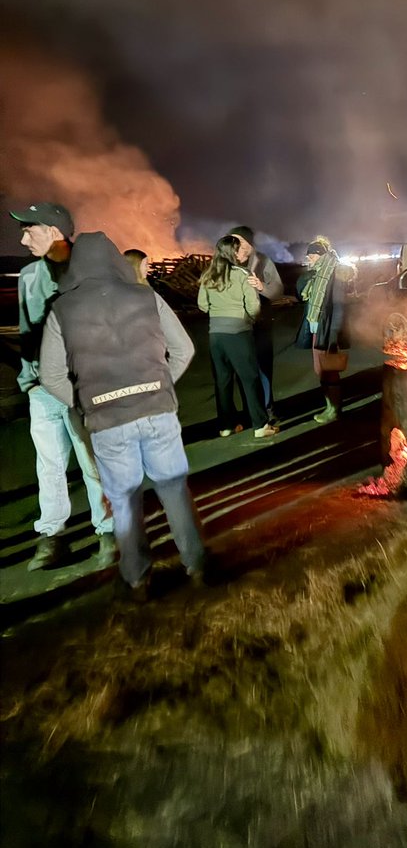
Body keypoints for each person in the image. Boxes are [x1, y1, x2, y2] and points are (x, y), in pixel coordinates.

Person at [38, 232, 207, 600]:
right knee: (174, 490)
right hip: (157, 411)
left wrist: (86, 403)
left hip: (108, 423)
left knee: (125, 502)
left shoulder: (62, 309)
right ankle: (197, 567)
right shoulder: (146, 296)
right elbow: (184, 349)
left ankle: (137, 580)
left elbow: (50, 375)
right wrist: (160, 386)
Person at [10, 202, 115, 572]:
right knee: (49, 465)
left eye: (29, 230)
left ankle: (108, 532)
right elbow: (26, 331)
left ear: (54, 231)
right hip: (42, 390)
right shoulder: (28, 276)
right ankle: (51, 535)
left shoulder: (90, 272)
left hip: (80, 386)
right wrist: (28, 380)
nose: (23, 240)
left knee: (92, 461)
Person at [197, 236, 277, 439]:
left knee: (222, 381)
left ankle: (226, 426)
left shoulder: (208, 275)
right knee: (250, 378)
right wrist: (248, 319)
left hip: (216, 335)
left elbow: (202, 305)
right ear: (232, 252)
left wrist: (218, 311)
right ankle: (260, 425)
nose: (243, 252)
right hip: (239, 333)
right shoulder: (242, 274)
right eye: (239, 249)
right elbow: (253, 306)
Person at [226, 225, 284, 424]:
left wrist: (262, 287)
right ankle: (250, 411)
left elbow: (277, 291)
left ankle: (267, 409)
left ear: (249, 242)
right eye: (233, 240)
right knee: (243, 370)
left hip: (260, 324)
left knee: (263, 368)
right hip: (237, 325)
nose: (236, 245)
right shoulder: (227, 263)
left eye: (240, 240)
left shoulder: (263, 261)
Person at [295, 237, 356, 424]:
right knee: (321, 369)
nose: (308, 259)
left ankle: (334, 410)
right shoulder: (318, 272)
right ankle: (330, 406)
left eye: (311, 255)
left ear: (319, 254)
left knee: (328, 370)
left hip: (328, 330)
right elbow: (302, 294)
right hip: (318, 327)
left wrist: (334, 336)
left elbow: (339, 306)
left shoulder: (335, 272)